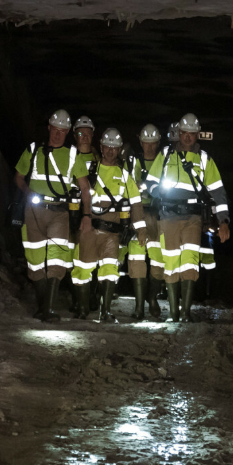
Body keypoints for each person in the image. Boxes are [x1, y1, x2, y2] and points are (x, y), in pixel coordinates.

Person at [149, 113, 231, 322]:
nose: (187, 137)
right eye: (184, 133)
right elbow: (150, 182)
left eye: (192, 134)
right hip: (167, 216)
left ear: (197, 136)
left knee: (189, 263)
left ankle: (185, 313)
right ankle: (173, 314)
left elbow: (218, 192)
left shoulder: (204, 159)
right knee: (170, 262)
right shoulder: (166, 154)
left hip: (192, 218)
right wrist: (159, 192)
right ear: (179, 133)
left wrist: (224, 221)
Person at [14, 109, 93, 320]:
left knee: (57, 260)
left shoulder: (72, 155)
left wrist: (87, 216)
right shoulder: (33, 150)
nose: (58, 134)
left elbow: (85, 188)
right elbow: (19, 177)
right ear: (49, 127)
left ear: (67, 132)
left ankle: (48, 309)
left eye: (62, 131)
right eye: (55, 129)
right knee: (36, 259)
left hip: (60, 212)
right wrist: (28, 192)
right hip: (33, 212)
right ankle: (42, 307)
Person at [71, 128, 146, 323]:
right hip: (90, 228)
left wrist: (141, 228)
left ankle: (105, 312)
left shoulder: (123, 174)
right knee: (83, 268)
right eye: (108, 147)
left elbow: (136, 201)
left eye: (115, 148)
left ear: (120, 149)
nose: (111, 151)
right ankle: (82, 308)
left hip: (112, 232)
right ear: (101, 147)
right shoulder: (90, 170)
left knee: (110, 270)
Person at [128, 123, 165, 320]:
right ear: (140, 142)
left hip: (158, 215)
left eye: (153, 143)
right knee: (136, 261)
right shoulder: (133, 162)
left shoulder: (165, 162)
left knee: (158, 261)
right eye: (146, 143)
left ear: (158, 143)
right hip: (138, 213)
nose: (149, 147)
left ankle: (152, 299)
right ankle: (138, 307)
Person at [68, 115, 97, 315]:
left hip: (92, 213)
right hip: (69, 212)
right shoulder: (68, 157)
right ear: (75, 135)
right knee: (71, 257)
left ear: (93, 135)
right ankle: (76, 299)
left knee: (89, 257)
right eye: (81, 133)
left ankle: (90, 298)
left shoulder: (99, 159)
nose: (84, 137)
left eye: (88, 133)